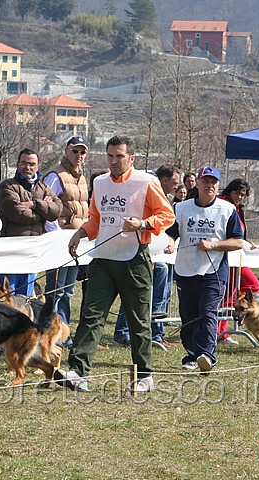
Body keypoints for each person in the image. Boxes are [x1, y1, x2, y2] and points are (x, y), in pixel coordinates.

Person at [59, 135, 175, 393]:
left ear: (131, 158)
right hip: (102, 259)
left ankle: (144, 375)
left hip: (134, 259)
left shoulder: (147, 182)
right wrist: (80, 234)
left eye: (119, 156)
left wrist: (143, 224)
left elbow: (167, 215)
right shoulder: (99, 183)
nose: (114, 161)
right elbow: (96, 219)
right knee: (91, 315)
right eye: (110, 156)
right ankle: (78, 372)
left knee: (138, 320)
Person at [166, 166, 244, 372]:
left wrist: (214, 245)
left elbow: (238, 242)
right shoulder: (181, 208)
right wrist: (171, 242)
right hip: (186, 268)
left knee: (208, 312)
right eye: (205, 181)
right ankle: (192, 355)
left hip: (214, 271)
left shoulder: (227, 210)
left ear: (218, 186)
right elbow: (171, 233)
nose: (209, 185)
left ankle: (207, 355)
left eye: (213, 182)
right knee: (188, 315)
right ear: (198, 183)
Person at [113, 165, 179, 349]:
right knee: (132, 291)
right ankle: (122, 332)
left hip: (156, 252)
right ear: (164, 180)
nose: (176, 187)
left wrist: (170, 240)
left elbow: (167, 226)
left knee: (164, 275)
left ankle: (156, 328)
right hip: (135, 250)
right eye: (174, 183)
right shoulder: (146, 192)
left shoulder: (166, 199)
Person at [41, 136, 89, 347]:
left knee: (68, 291)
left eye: (82, 152)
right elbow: (45, 206)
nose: (78, 155)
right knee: (56, 290)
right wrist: (56, 236)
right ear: (66, 151)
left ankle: (64, 334)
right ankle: (50, 333)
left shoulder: (81, 176)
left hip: (76, 241)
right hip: (61, 241)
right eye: (74, 151)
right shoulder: (55, 175)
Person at [0, 148, 62, 296]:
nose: (28, 167)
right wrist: (44, 211)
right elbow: (17, 213)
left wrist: (34, 204)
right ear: (18, 164)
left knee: (26, 297)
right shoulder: (8, 186)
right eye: (24, 163)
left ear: (38, 166)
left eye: (32, 164)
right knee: (7, 295)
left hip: (32, 252)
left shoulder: (43, 187)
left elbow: (57, 211)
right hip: (11, 252)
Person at [217, 178, 259, 345]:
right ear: (230, 191)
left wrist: (247, 242)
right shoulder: (222, 204)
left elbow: (238, 234)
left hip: (237, 258)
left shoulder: (238, 209)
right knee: (228, 296)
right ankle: (221, 333)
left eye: (243, 195)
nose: (240, 197)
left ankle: (223, 330)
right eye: (237, 193)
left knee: (249, 287)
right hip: (227, 257)